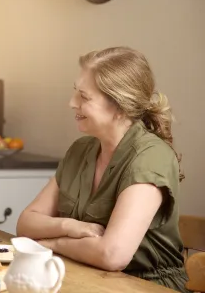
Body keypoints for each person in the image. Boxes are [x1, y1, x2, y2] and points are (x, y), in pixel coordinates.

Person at [16, 47, 188, 292]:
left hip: (146, 286)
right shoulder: (80, 150)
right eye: (75, 92)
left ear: (120, 106)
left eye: (84, 97)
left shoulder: (150, 157)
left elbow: (112, 255)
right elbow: (26, 224)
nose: (71, 103)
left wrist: (52, 243)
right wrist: (70, 227)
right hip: (83, 277)